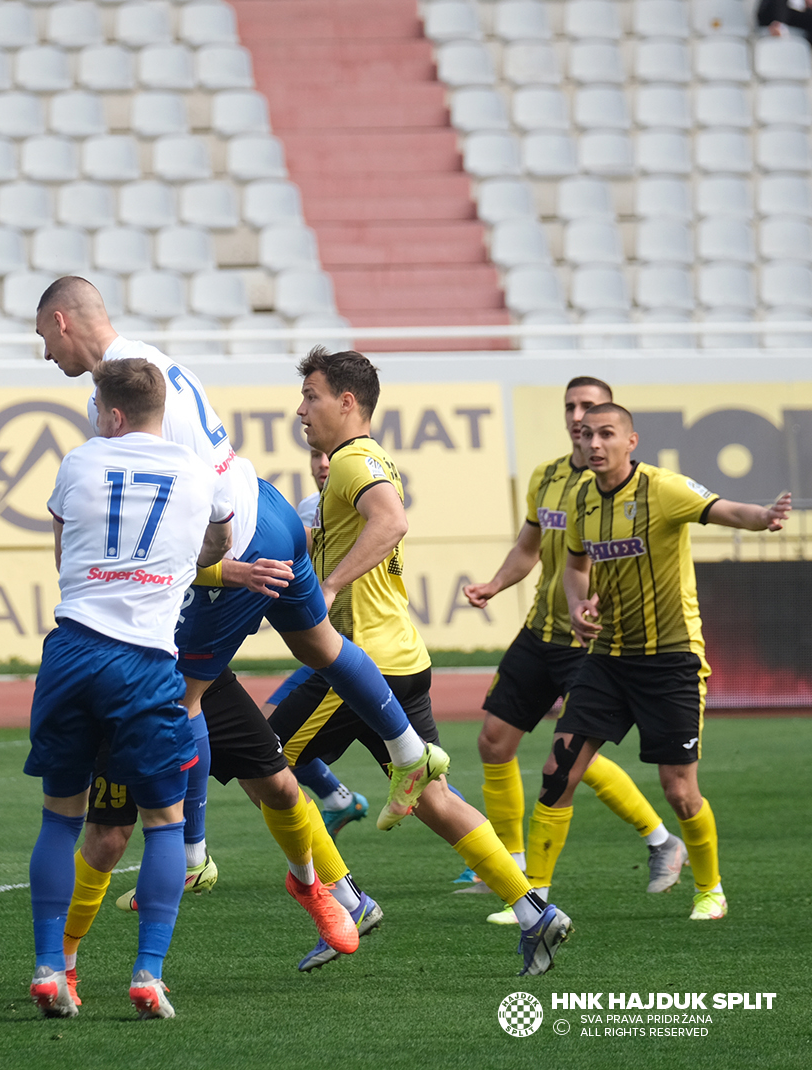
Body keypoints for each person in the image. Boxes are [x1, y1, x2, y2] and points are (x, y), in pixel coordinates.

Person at [38, 278, 441, 980]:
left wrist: (225, 573)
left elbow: (188, 534)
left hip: (215, 568)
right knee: (296, 722)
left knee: (162, 738)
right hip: (268, 509)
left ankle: (185, 864)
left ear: (62, 321)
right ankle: (389, 788)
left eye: (43, 337)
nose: (44, 353)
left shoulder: (108, 421)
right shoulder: (153, 364)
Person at [269, 346, 574, 976]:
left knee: (266, 764)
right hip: (401, 655)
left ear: (347, 402)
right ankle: (533, 912)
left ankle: (346, 899)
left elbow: (392, 522)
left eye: (312, 396)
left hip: (362, 663)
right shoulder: (365, 459)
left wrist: (326, 590)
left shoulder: (353, 461)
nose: (301, 410)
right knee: (432, 795)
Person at [525, 403, 792, 923]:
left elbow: (726, 509)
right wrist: (579, 604)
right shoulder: (581, 498)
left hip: (670, 661)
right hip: (607, 659)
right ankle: (532, 897)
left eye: (607, 434)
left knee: (679, 790)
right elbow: (576, 567)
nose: (595, 443)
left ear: (631, 442)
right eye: (587, 435)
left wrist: (763, 518)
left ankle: (710, 888)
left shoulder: (662, 488)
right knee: (558, 771)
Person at [24, 357, 228, 1019]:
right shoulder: (198, 473)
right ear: (157, 411)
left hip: (73, 647)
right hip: (144, 660)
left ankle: (52, 968)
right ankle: (147, 975)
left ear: (111, 415)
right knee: (164, 824)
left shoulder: (79, 463)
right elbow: (219, 540)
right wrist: (175, 561)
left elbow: (63, 552)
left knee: (61, 817)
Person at [457, 378, 683, 924]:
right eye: (571, 408)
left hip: (597, 642)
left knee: (573, 760)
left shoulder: (637, 489)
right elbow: (528, 548)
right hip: (542, 630)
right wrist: (493, 584)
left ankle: (660, 841)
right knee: (494, 742)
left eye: (590, 408)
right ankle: (508, 870)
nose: (578, 417)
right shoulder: (548, 476)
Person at [274, 447, 371, 840]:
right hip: (326, 648)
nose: (322, 463)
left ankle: (320, 869)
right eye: (315, 456)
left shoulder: (364, 502)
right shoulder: (307, 508)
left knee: (412, 767)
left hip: (360, 650)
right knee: (267, 738)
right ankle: (335, 798)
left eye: (329, 456)